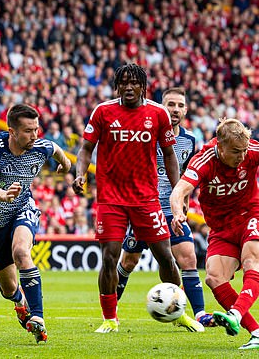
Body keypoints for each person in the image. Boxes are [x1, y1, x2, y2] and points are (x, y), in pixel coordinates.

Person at [72, 64, 203, 333]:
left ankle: (177, 313)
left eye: (134, 83)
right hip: (111, 199)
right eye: (123, 83)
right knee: (110, 257)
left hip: (147, 200)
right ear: (117, 86)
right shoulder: (103, 111)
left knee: (166, 257)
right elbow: (86, 148)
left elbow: (169, 155)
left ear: (143, 86)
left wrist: (177, 192)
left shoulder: (158, 114)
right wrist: (80, 174)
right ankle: (110, 318)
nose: (128, 87)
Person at [170, 118, 259, 349]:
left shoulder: (252, 150)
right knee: (214, 277)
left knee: (251, 259)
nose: (242, 156)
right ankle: (258, 334)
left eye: (244, 150)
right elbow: (180, 191)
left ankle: (235, 314)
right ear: (220, 146)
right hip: (222, 228)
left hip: (251, 216)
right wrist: (177, 214)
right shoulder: (204, 160)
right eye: (236, 151)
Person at [115, 87, 215, 328]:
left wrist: (183, 207)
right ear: (161, 107)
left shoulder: (189, 141)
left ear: (186, 110)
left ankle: (198, 314)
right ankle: (111, 311)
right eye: (171, 104)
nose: (175, 110)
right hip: (142, 207)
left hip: (172, 209)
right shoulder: (145, 134)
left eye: (180, 105)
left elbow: (186, 176)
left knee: (187, 258)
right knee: (129, 261)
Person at [0, 104, 72, 343]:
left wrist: (66, 165)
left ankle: (37, 317)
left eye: (37, 129)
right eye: (28, 131)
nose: (35, 135)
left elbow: (58, 150)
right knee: (8, 290)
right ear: (12, 132)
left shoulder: (41, 146)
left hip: (22, 208)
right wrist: (5, 194)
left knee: (21, 251)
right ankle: (20, 302)